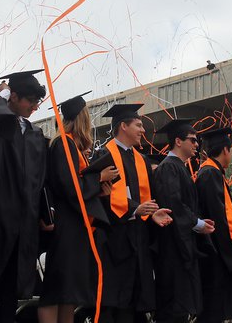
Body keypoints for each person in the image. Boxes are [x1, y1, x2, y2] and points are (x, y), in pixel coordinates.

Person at [0, 69, 50, 323]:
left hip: (24, 225)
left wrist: (44, 215)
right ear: (13, 96)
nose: (34, 107)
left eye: (36, 102)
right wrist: (1, 95)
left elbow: (41, 180)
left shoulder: (36, 135)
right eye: (29, 101)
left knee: (10, 298)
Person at [86, 103, 172, 323]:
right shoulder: (103, 155)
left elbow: (147, 197)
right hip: (113, 239)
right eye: (138, 125)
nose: (143, 130)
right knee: (114, 303)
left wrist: (152, 213)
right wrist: (135, 209)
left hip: (139, 237)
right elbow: (101, 197)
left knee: (135, 303)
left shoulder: (141, 159)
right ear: (123, 126)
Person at [38, 92, 114, 323]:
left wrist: (100, 190)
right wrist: (98, 177)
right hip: (66, 224)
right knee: (55, 289)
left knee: (69, 291)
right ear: (82, 118)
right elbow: (69, 186)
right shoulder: (63, 143)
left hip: (77, 225)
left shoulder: (73, 145)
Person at [151, 119, 214, 323]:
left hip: (182, 245)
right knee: (174, 306)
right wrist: (197, 223)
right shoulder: (169, 167)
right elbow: (173, 205)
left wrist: (199, 221)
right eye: (193, 140)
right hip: (173, 248)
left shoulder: (179, 167)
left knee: (182, 305)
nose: (197, 144)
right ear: (178, 141)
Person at [195, 127, 232, 323]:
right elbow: (218, 214)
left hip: (219, 250)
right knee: (217, 308)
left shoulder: (212, 172)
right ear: (225, 150)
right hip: (218, 252)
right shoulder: (210, 174)